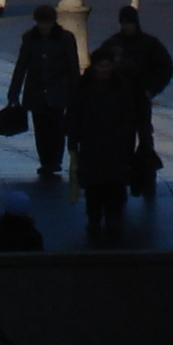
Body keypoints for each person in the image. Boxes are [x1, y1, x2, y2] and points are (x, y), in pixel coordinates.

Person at [69, 44, 143, 247]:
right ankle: (94, 219)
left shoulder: (120, 86)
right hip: (91, 145)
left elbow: (129, 115)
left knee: (115, 187)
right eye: (100, 66)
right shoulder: (83, 87)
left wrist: (127, 139)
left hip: (115, 145)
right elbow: (74, 115)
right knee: (94, 188)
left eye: (107, 66)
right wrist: (74, 141)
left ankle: (113, 219)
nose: (104, 70)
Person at [4, 4, 78, 180]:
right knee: (41, 129)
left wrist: (76, 94)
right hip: (36, 92)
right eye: (41, 23)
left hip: (58, 92)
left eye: (47, 23)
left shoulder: (66, 39)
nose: (44, 27)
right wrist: (13, 93)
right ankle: (45, 161)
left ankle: (54, 161)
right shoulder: (29, 39)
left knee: (57, 128)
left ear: (53, 22)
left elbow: (73, 67)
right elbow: (21, 66)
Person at [110, 4, 173, 195]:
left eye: (129, 23)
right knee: (124, 140)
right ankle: (125, 176)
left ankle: (147, 177)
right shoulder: (114, 44)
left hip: (140, 100)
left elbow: (165, 68)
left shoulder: (149, 44)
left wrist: (151, 90)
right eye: (124, 23)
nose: (127, 27)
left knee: (145, 140)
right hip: (120, 102)